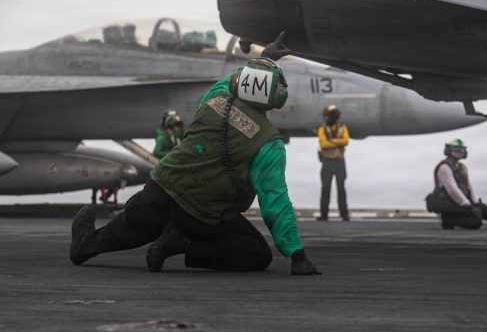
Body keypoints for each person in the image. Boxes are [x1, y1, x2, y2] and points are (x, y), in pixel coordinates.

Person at [69, 54, 320, 276]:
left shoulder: (215, 98)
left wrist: (261, 60)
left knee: (126, 229)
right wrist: (297, 255)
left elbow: (231, 80)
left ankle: (84, 246)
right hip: (202, 215)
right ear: (278, 96)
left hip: (161, 189)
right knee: (255, 254)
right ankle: (182, 244)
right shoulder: (268, 143)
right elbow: (274, 201)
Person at [427, 139, 487, 229]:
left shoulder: (462, 167)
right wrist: (467, 205)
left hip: (461, 202)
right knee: (475, 222)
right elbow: (452, 189)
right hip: (448, 203)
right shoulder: (444, 167)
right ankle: (448, 219)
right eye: (456, 149)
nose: (459, 151)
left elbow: (469, 186)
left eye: (461, 149)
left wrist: (476, 202)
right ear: (449, 150)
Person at [317, 105, 350, 221]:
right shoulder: (322, 129)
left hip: (339, 162)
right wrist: (338, 142)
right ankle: (324, 214)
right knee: (326, 188)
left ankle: (344, 214)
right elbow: (323, 144)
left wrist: (331, 141)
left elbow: (346, 141)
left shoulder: (342, 128)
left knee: (341, 188)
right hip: (328, 162)